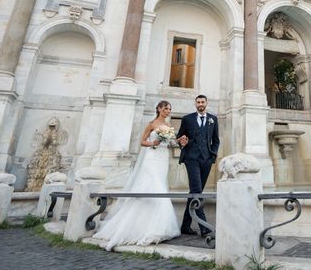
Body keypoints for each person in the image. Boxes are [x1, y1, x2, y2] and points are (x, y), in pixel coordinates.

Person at [93, 100, 180, 250]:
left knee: (160, 185)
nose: (168, 112)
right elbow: (142, 141)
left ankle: (158, 226)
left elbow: (171, 143)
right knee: (153, 186)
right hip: (151, 159)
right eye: (166, 109)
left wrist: (179, 140)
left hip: (162, 159)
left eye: (169, 109)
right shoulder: (152, 124)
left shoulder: (169, 126)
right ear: (159, 108)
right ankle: (144, 227)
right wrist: (153, 143)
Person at [176, 94, 220, 236]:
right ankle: (204, 227)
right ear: (195, 104)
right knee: (197, 190)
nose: (200, 104)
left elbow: (216, 140)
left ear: (206, 103)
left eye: (202, 102)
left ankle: (185, 226)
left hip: (206, 159)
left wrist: (213, 154)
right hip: (191, 158)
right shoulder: (187, 119)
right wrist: (181, 141)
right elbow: (179, 137)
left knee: (195, 191)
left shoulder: (213, 119)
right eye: (198, 102)